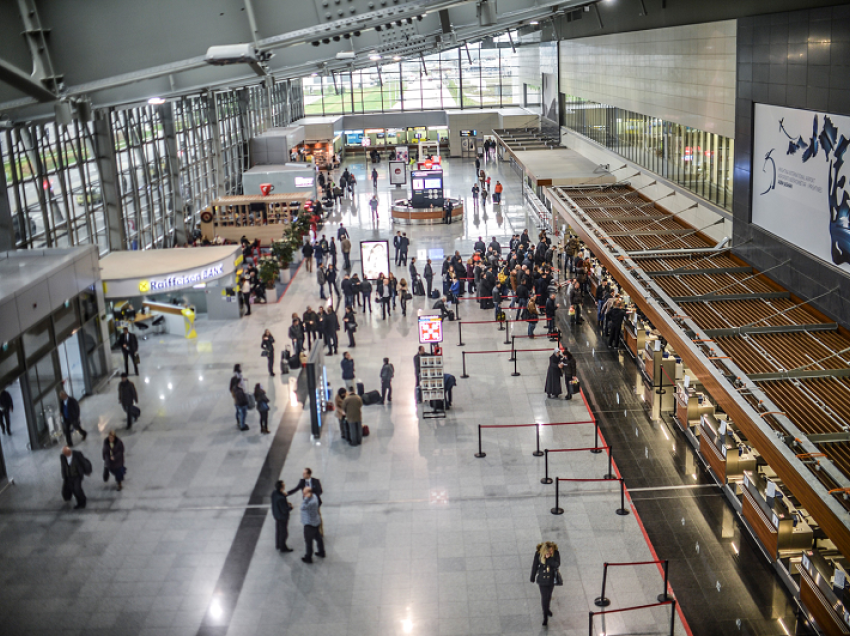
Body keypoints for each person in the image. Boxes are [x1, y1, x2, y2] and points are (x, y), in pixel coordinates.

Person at [531, 541, 561, 626]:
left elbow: (557, 564)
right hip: (542, 579)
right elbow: (535, 565)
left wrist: (549, 559)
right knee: (544, 597)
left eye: (551, 550)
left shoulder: (556, 553)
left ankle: (547, 609)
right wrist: (532, 577)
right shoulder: (538, 554)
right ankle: (545, 616)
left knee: (549, 595)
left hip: (551, 579)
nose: (550, 552)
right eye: (548, 551)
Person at [300, 487, 325, 563]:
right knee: (318, 538)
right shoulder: (315, 496)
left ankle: (308, 557)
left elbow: (302, 507)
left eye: (304, 493)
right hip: (316, 521)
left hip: (310, 524)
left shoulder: (311, 502)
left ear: (309, 493)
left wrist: (306, 499)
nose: (303, 495)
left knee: (308, 541)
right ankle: (321, 552)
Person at [271, 480, 294, 552]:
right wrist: (290, 507)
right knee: (284, 533)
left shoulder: (274, 493)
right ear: (281, 488)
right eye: (283, 486)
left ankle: (278, 544)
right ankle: (283, 547)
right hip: (282, 518)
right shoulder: (281, 498)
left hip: (276, 515)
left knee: (278, 531)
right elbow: (284, 510)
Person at [229, 365, 249, 431]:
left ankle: (240, 422)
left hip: (239, 398)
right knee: (240, 412)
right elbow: (231, 389)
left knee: (239, 411)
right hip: (238, 400)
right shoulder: (235, 380)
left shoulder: (239, 377)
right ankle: (241, 423)